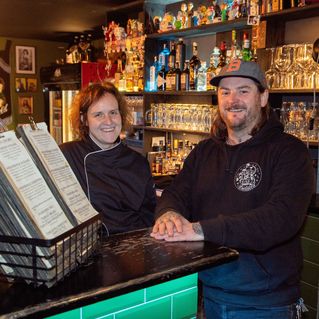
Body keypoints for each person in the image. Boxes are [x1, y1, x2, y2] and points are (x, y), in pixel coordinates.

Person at [151, 60, 314, 319]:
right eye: (224, 92)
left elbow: (280, 218)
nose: (232, 99)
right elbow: (176, 192)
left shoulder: (289, 152)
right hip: (205, 294)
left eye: (243, 90)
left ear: (263, 97)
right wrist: (168, 212)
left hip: (264, 304)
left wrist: (200, 229)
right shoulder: (205, 151)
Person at [60, 82, 156, 235]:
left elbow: (149, 216)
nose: (109, 121)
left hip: (131, 248)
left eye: (113, 113)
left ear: (121, 115)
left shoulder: (138, 162)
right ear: (84, 119)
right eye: (98, 114)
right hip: (85, 250)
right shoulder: (66, 155)